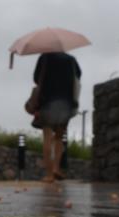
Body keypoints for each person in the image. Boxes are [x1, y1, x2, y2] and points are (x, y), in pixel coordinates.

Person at [33, 52, 81, 182]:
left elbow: (37, 79)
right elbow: (78, 77)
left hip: (47, 102)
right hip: (66, 103)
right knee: (59, 137)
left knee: (47, 137)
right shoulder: (71, 59)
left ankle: (49, 175)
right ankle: (56, 168)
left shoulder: (44, 57)